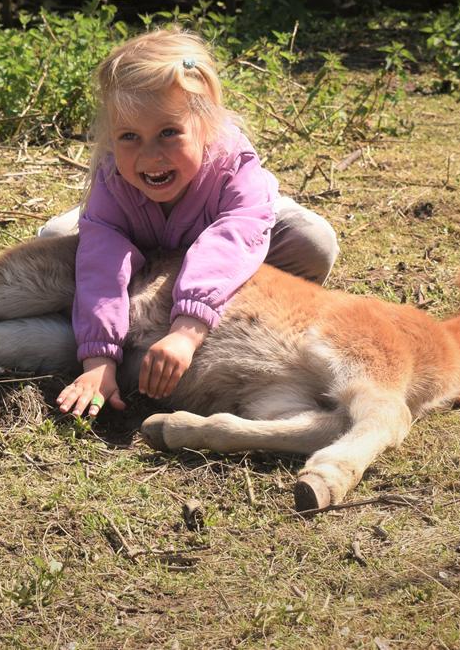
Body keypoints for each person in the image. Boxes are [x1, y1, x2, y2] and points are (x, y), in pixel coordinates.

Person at [40, 28, 339, 418]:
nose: (150, 156)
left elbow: (233, 237)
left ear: (207, 125)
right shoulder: (113, 177)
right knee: (57, 238)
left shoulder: (234, 166)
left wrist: (186, 330)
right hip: (148, 241)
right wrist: (99, 358)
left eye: (168, 133)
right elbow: (102, 256)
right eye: (129, 136)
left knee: (313, 241)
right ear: (110, 139)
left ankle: (236, 310)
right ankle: (111, 315)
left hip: (233, 231)